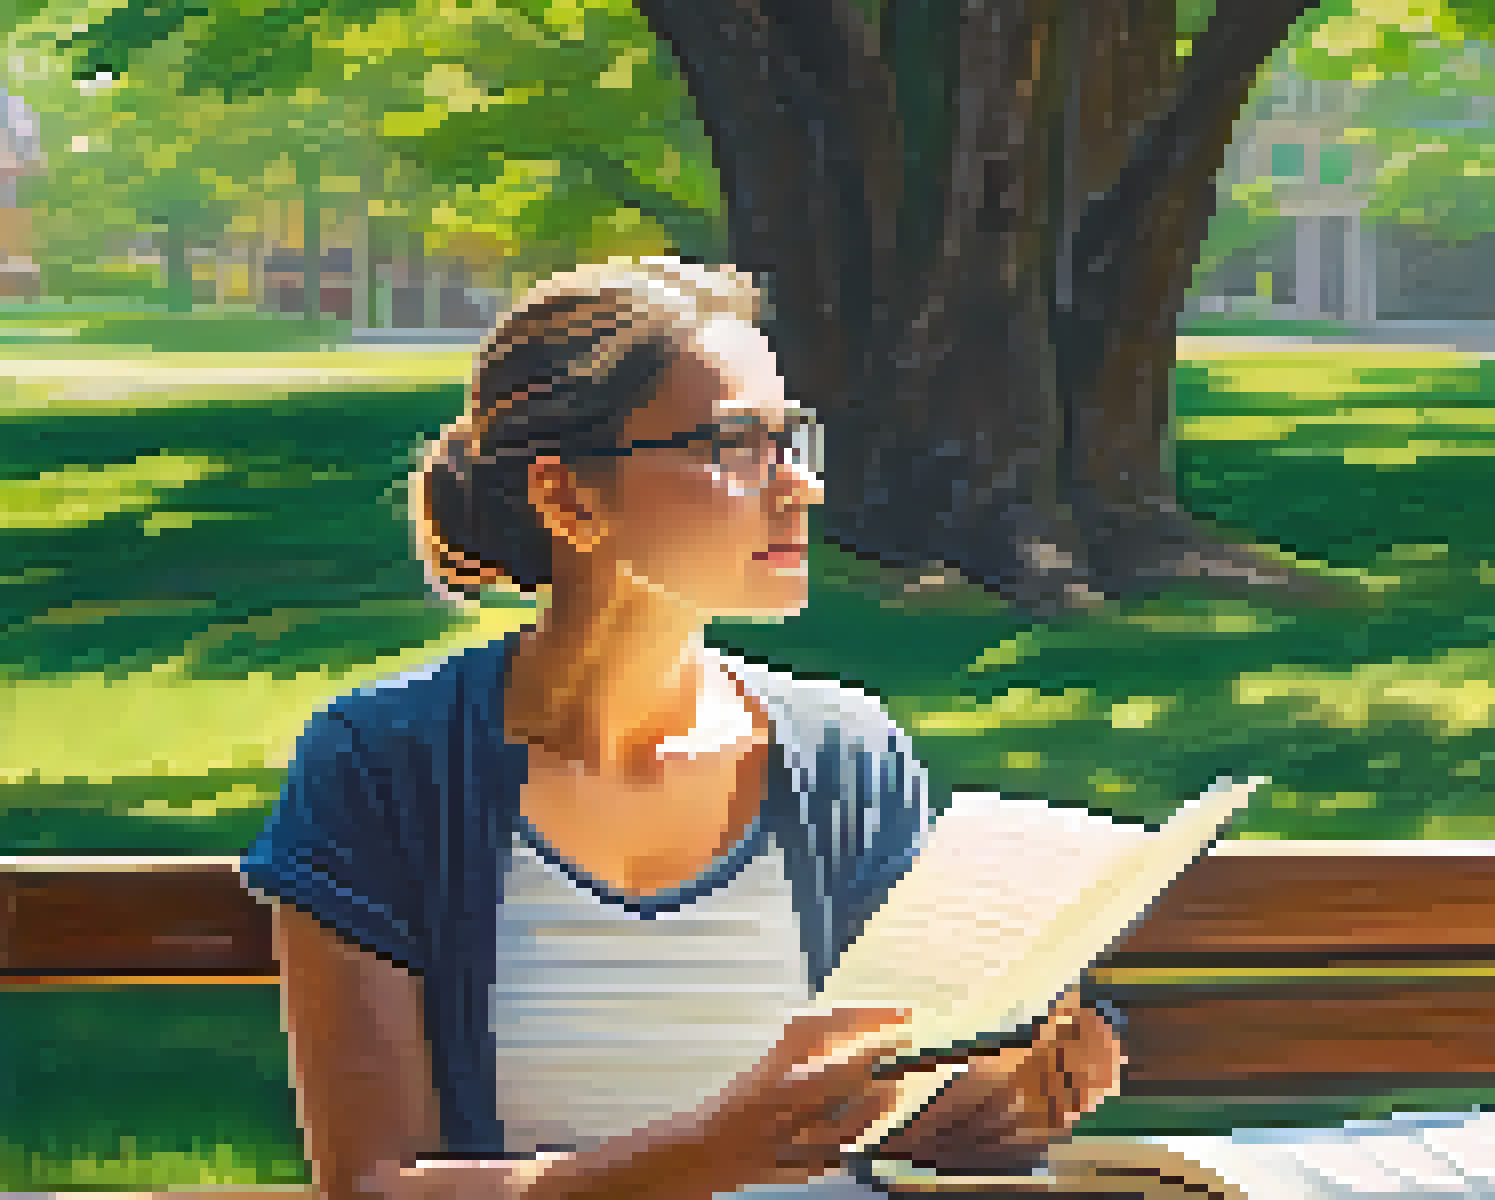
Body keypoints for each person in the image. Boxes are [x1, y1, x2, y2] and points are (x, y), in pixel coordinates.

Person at [239, 258, 1121, 1200]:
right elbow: (375, 1186)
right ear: (567, 499)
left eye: (792, 439)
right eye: (736, 444)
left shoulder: (841, 754)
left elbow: (900, 1122)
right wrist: (703, 1156)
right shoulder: (386, 767)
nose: (800, 488)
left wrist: (1007, 1098)